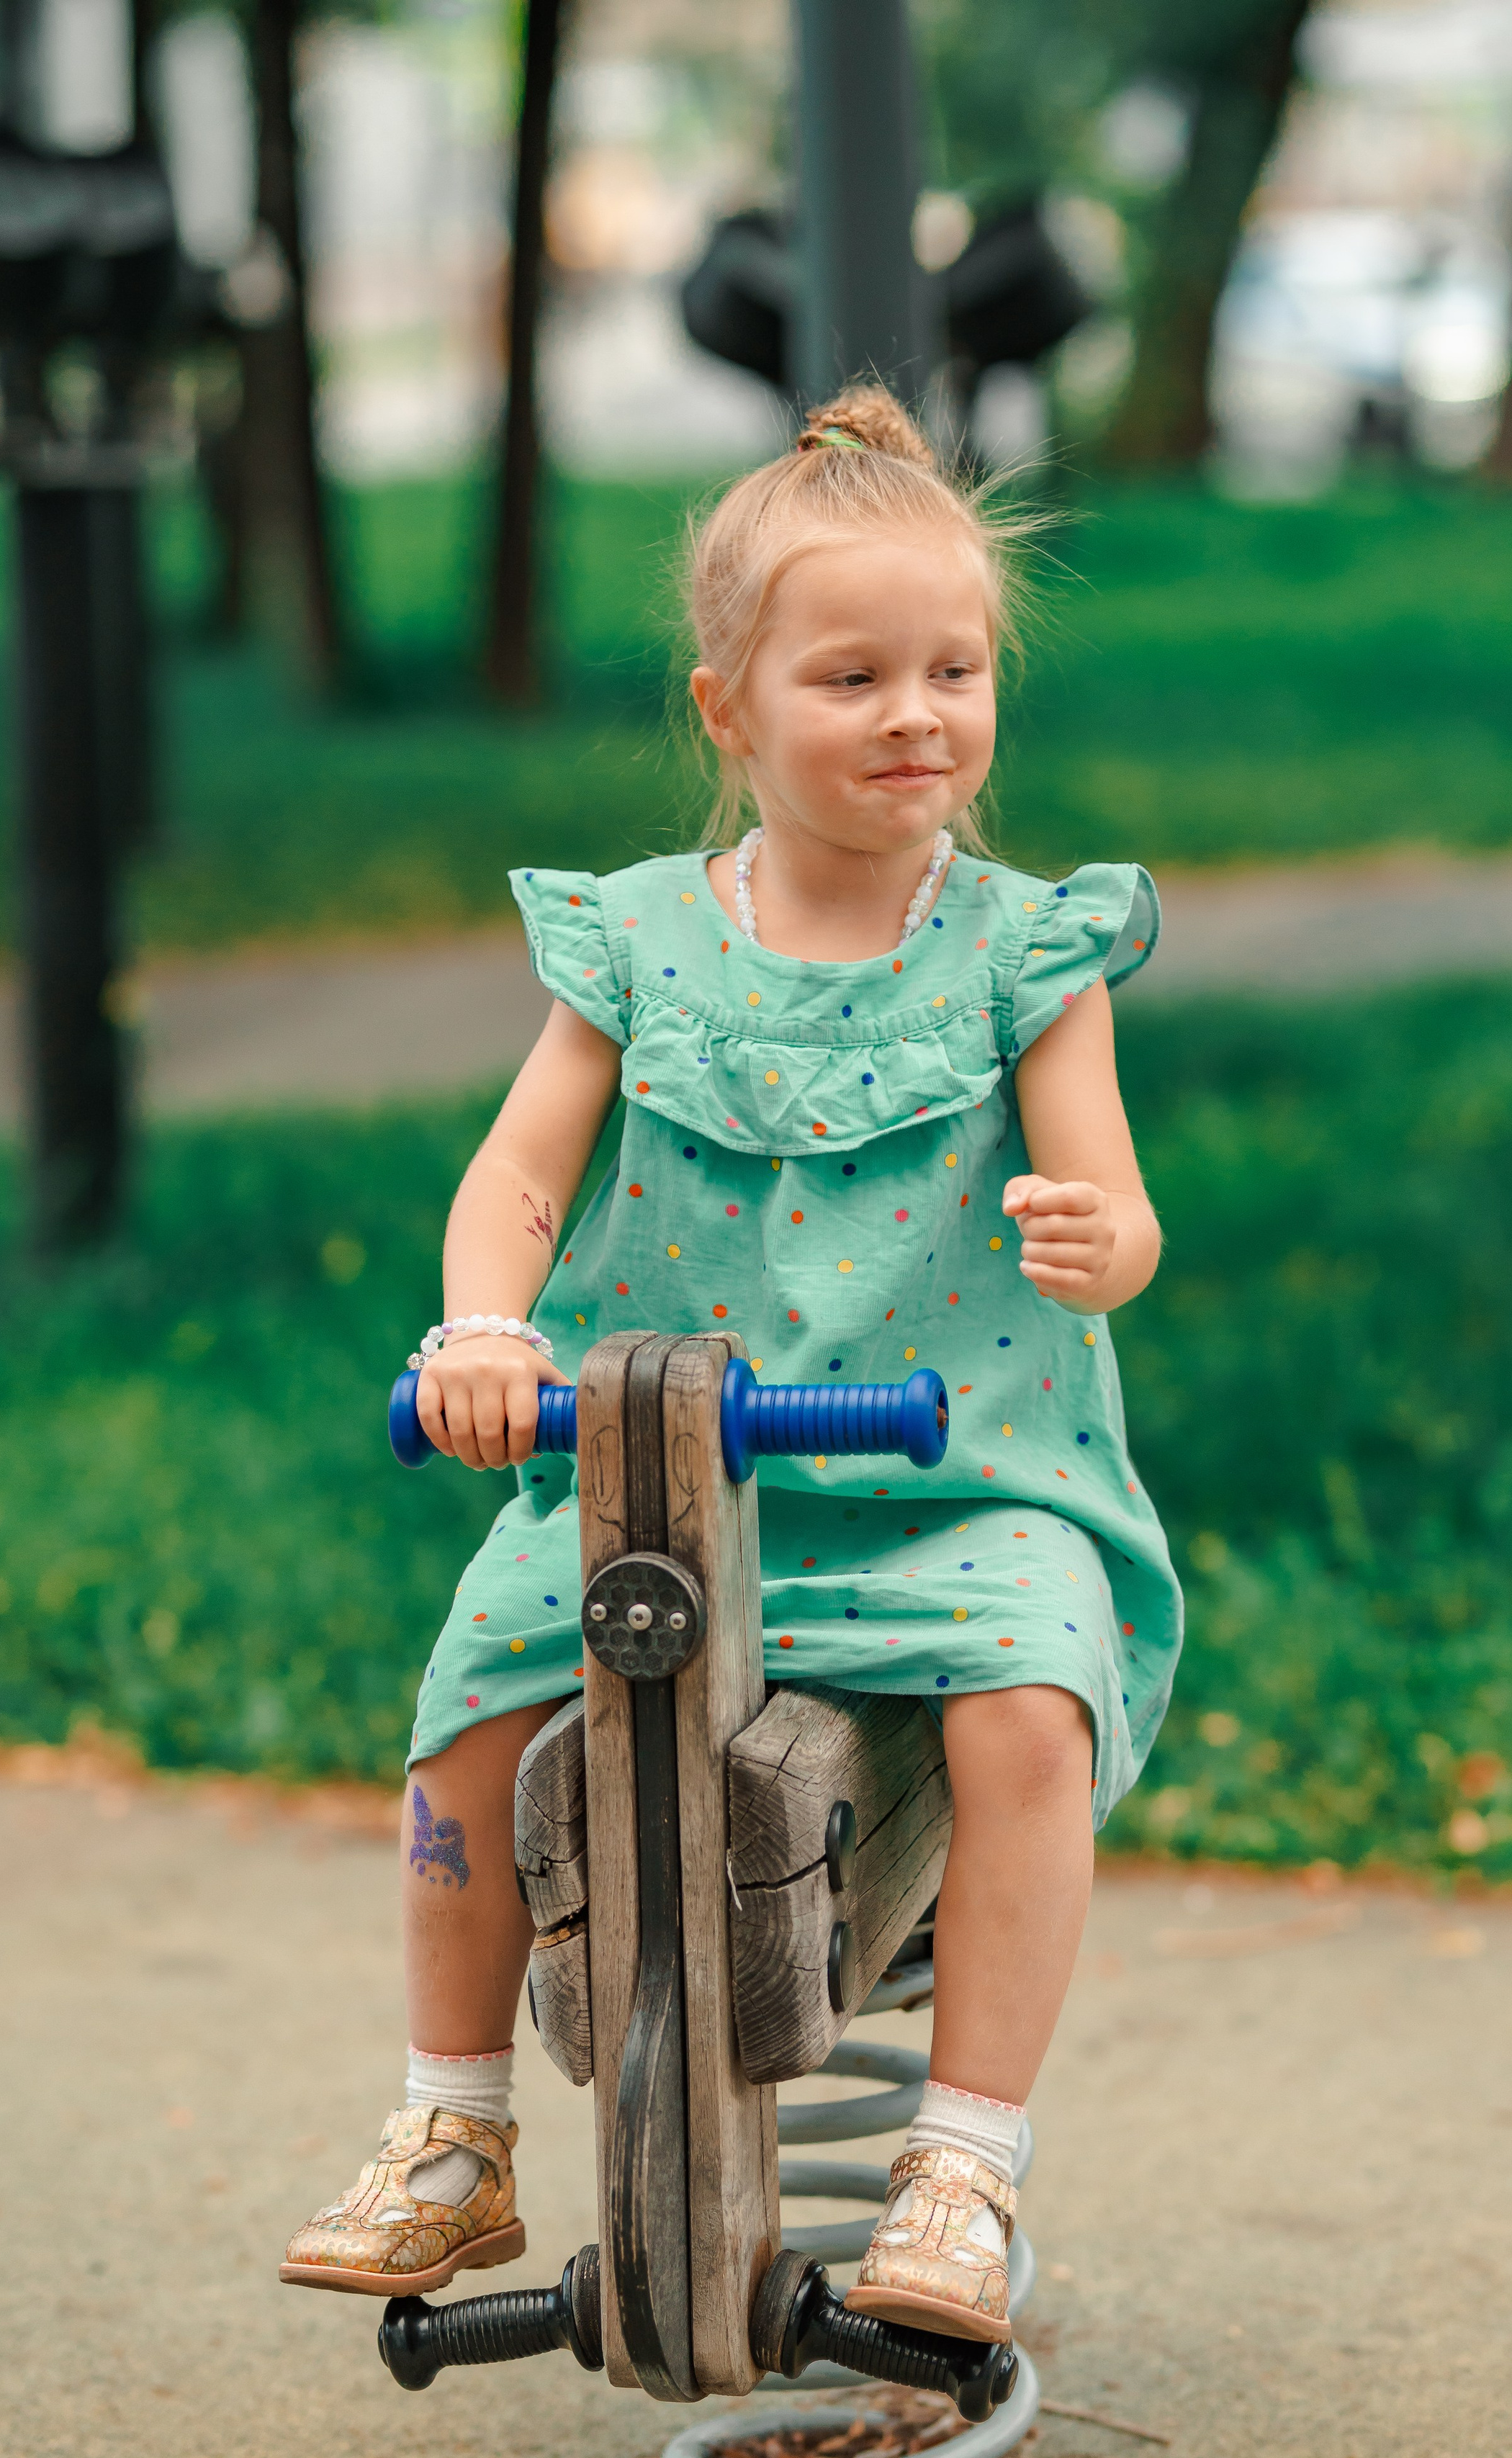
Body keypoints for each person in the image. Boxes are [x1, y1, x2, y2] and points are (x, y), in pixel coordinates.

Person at [281, 384, 1182, 2345]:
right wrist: (486, 1330)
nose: (915, 714)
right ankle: (452, 2133)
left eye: (955, 670)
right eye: (852, 675)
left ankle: (963, 2162)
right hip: (657, 1470)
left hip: (962, 1475)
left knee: (1027, 1708)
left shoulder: (1035, 955)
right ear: (729, 711)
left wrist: (1104, 1236)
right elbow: (518, 1176)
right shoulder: (635, 947)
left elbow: (1112, 1199)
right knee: (474, 1706)